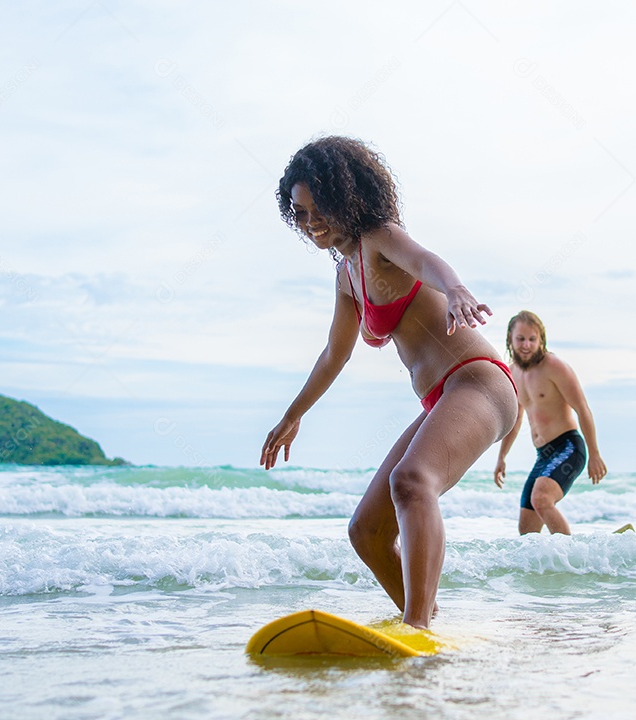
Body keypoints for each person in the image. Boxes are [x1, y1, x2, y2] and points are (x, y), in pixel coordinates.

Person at [259, 136, 518, 629]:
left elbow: (424, 262)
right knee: (367, 531)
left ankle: (416, 627)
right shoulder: (345, 277)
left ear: (345, 196)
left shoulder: (379, 237)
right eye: (301, 212)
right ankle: (423, 623)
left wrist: (456, 288)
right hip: (439, 398)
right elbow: (334, 354)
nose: (311, 221)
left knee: (412, 481)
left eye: (320, 207)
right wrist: (292, 416)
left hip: (479, 382)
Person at [494, 310, 607, 534]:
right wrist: (502, 457)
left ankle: (572, 558)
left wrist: (594, 454)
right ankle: (545, 567)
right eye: (521, 339)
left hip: (568, 447)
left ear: (541, 340)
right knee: (527, 532)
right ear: (510, 339)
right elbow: (516, 419)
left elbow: (582, 408)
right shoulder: (512, 373)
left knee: (542, 498)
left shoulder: (555, 367)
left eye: (532, 339)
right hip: (543, 455)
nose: (526, 345)